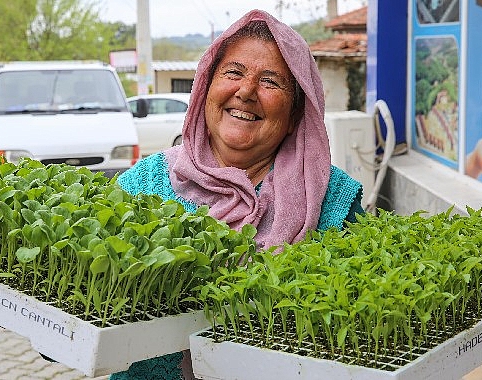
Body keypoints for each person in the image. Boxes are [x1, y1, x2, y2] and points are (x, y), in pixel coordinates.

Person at [112, 9, 364, 380]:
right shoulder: (144, 184)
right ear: (205, 89)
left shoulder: (332, 197)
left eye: (270, 82)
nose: (246, 92)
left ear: (296, 113)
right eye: (233, 73)